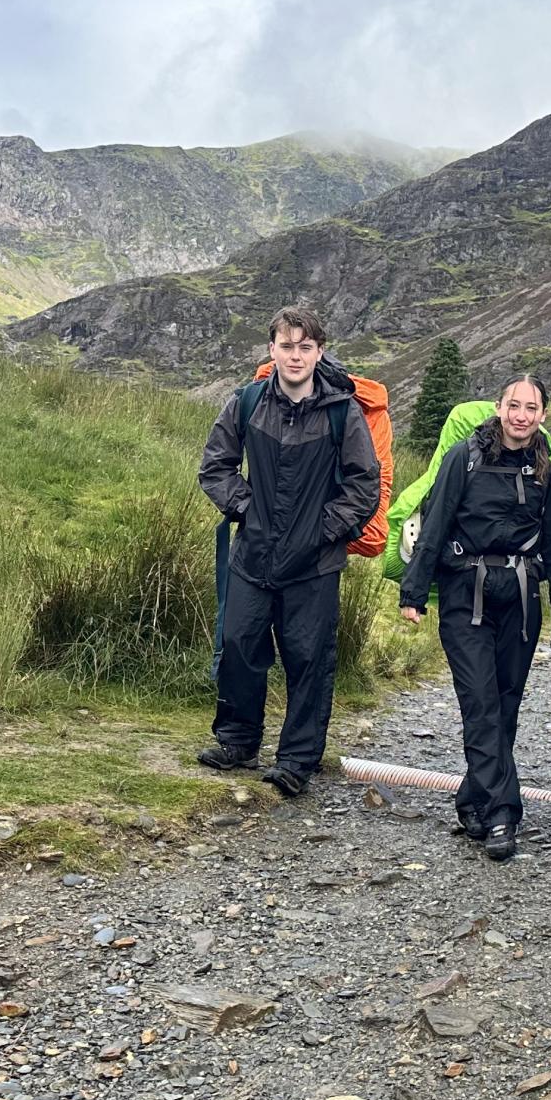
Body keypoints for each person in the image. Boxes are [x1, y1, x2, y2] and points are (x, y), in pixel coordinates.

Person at [195, 305, 382, 797]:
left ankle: (297, 759)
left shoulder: (344, 412)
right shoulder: (248, 401)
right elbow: (215, 467)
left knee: (308, 659)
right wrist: (247, 509)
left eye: (305, 347)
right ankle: (237, 742)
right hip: (252, 556)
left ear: (319, 352)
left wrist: (321, 531)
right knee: (239, 646)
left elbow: (364, 487)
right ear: (271, 349)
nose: (295, 355)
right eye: (286, 345)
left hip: (315, 564)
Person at [397, 375, 551, 861]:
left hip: (520, 600)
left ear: (543, 415)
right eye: (513, 406)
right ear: (498, 408)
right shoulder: (464, 457)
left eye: (531, 408)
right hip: (465, 595)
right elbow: (434, 524)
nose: (521, 415)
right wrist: (413, 591)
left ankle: (474, 799)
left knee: (505, 704)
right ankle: (503, 813)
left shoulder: (548, 474)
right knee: (480, 702)